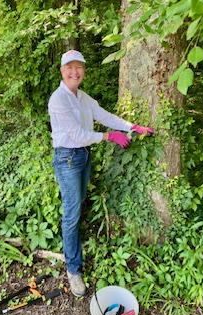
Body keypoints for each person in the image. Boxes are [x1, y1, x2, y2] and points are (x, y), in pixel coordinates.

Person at [48, 49, 154, 297]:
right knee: (72, 214)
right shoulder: (58, 99)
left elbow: (104, 116)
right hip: (67, 159)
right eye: (70, 67)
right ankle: (73, 270)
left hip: (83, 156)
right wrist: (109, 137)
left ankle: (73, 248)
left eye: (79, 67)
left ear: (83, 70)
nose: (75, 71)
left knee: (77, 206)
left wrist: (132, 127)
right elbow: (75, 134)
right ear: (62, 71)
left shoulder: (83, 97)